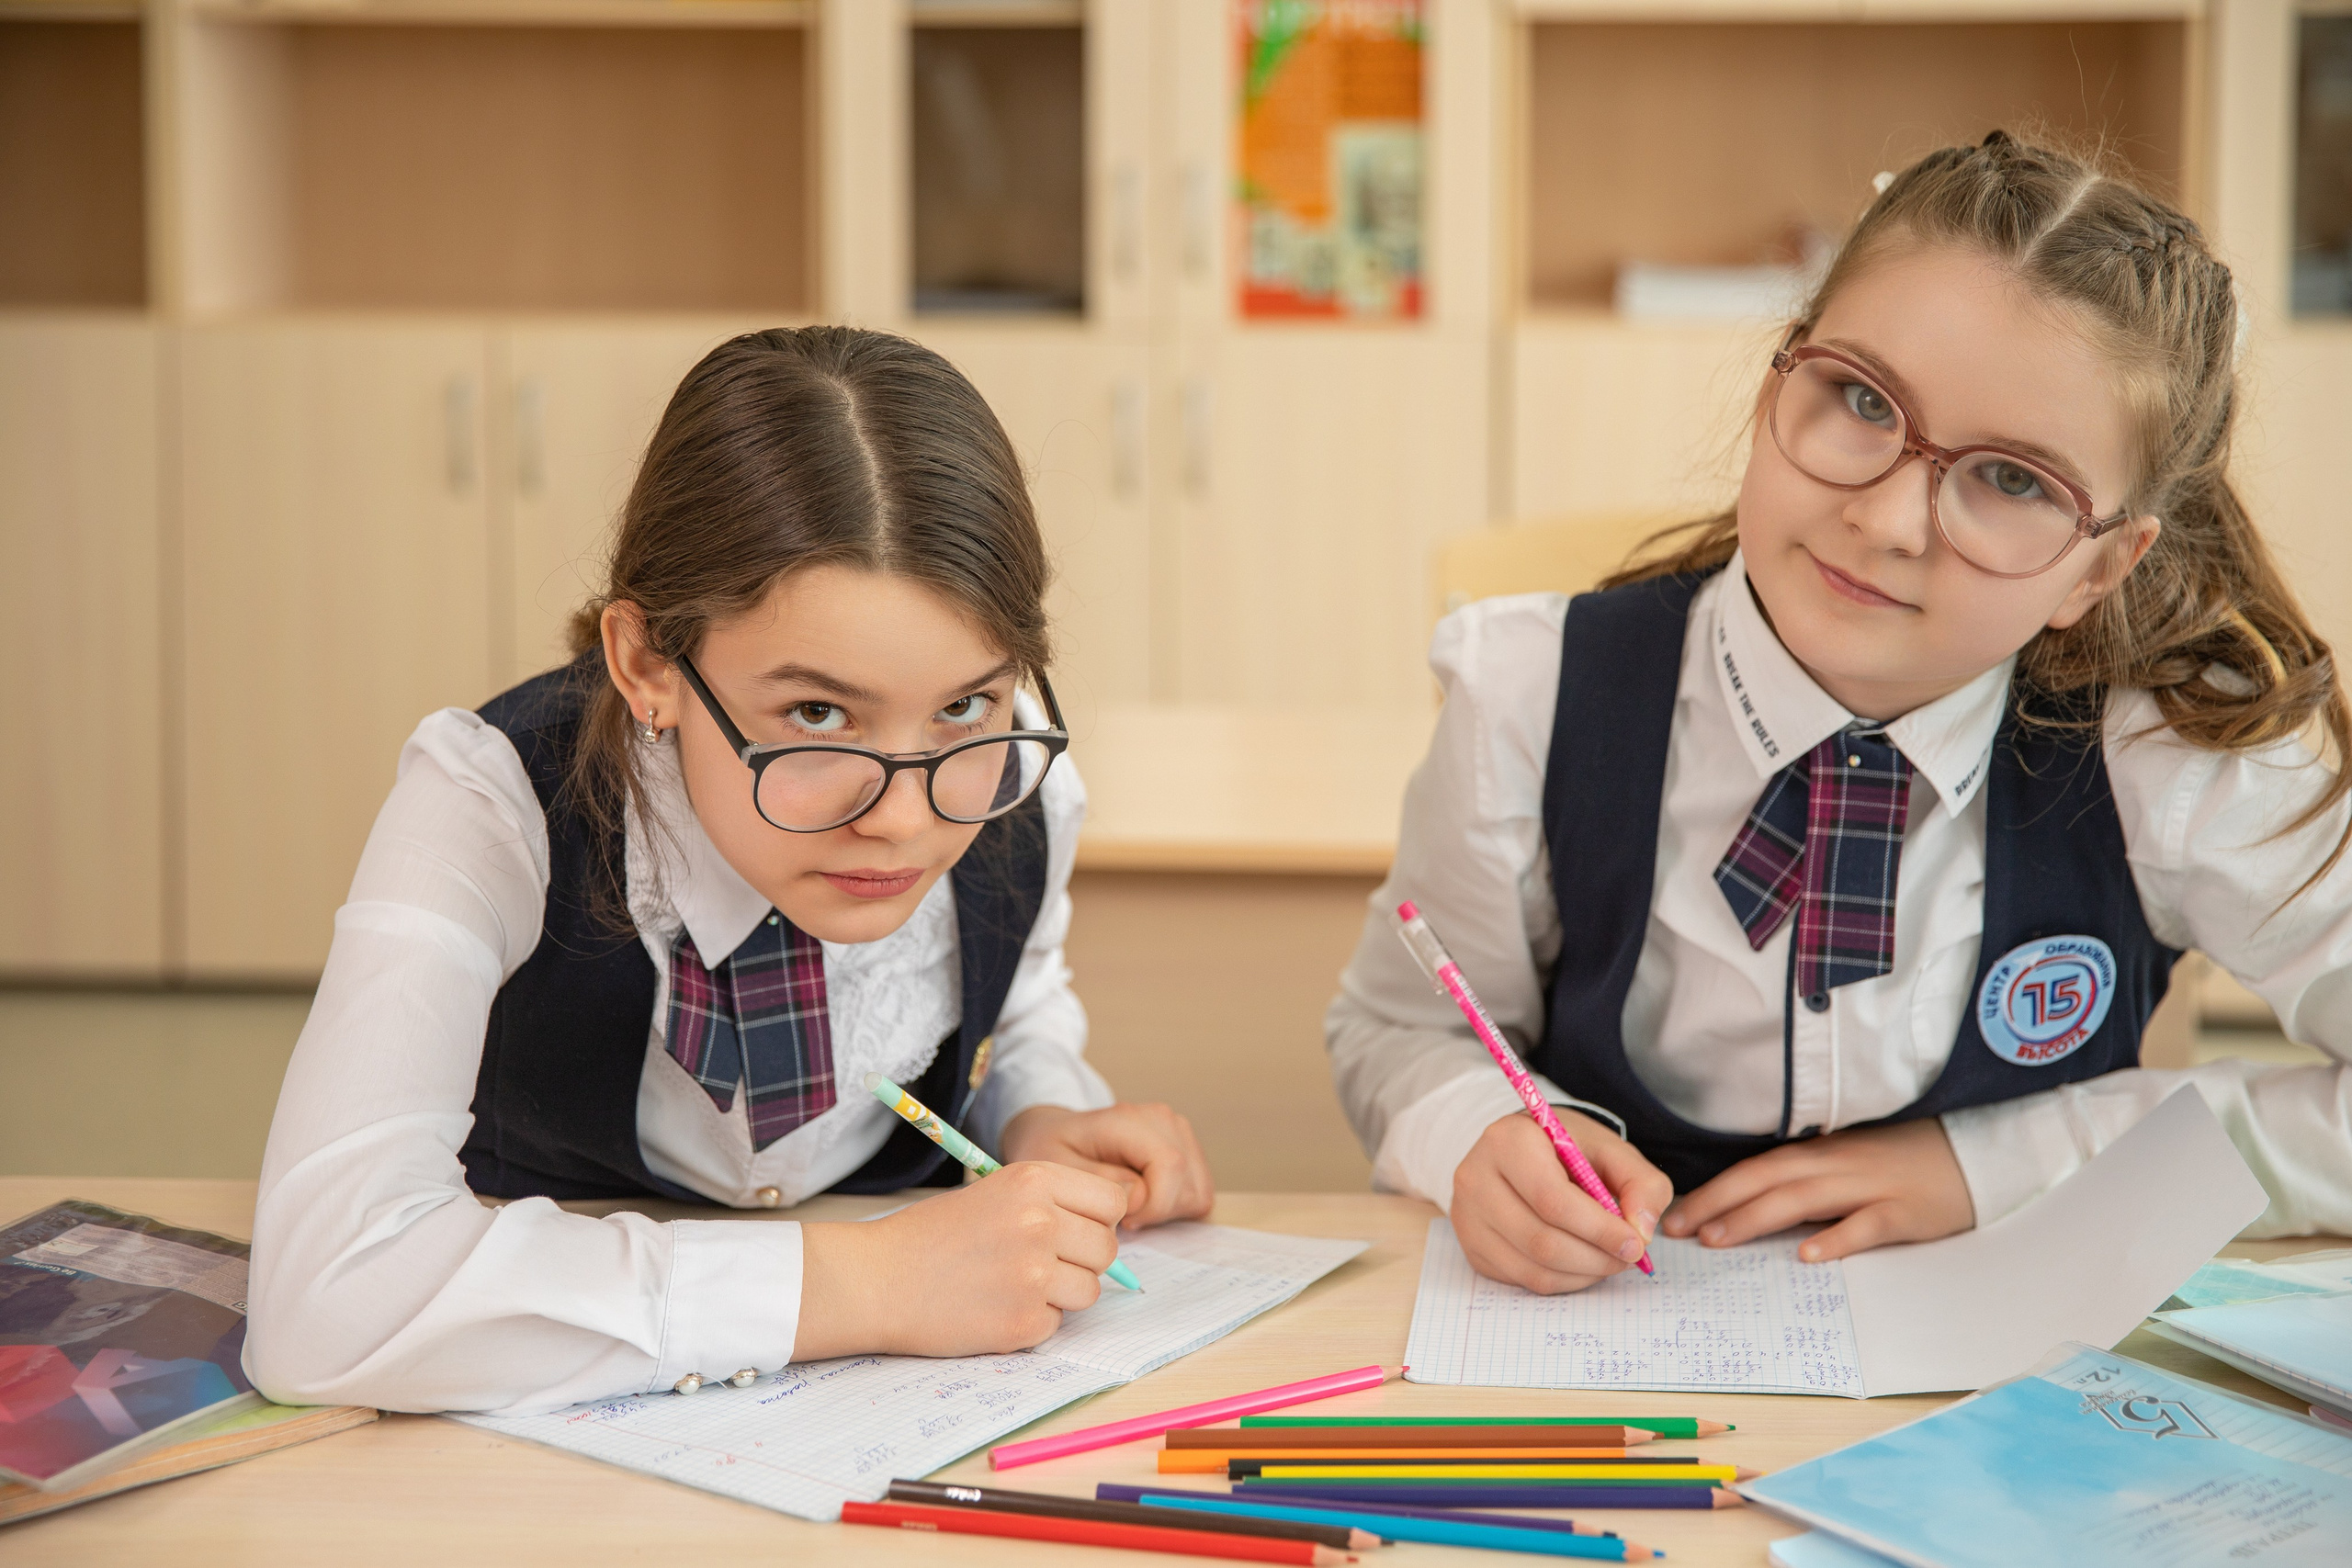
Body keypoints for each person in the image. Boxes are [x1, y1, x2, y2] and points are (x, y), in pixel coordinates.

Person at [1329, 132, 2352, 1295]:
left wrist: (2010, 1162)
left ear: (2099, 571)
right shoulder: (1527, 694)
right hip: (1603, 1353)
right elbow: (1397, 1033)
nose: (1889, 520)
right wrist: (1471, 1133)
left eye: (2013, 480)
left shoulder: (2169, 753)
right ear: (1780, 377)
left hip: (1997, 1392)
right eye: (1862, 400)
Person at [245, 327, 1214, 1413]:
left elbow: (1015, 995)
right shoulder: (490, 803)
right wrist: (868, 1281)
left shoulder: (1013, 778)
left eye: (962, 705)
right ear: (647, 664)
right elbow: (321, 1301)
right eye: (815, 714)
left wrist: (1035, 1113)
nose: (902, 818)